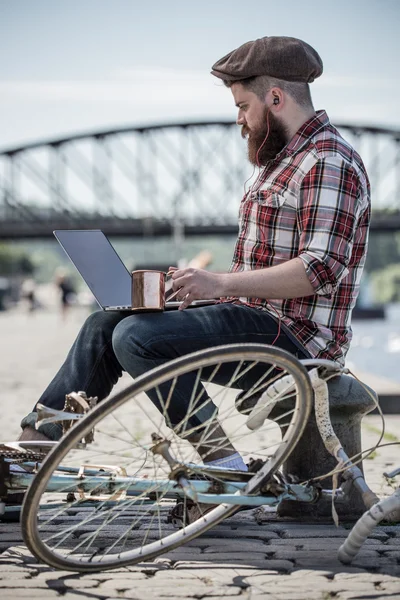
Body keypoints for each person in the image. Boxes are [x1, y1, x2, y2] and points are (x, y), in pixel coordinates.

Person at [18, 36, 370, 476]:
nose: (240, 120)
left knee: (137, 337)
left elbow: (321, 269)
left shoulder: (327, 161)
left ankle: (223, 461)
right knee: (105, 322)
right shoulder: (279, 163)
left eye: (243, 106)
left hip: (300, 343)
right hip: (258, 323)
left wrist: (219, 284)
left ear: (275, 98)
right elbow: (261, 275)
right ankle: (33, 449)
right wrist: (189, 287)